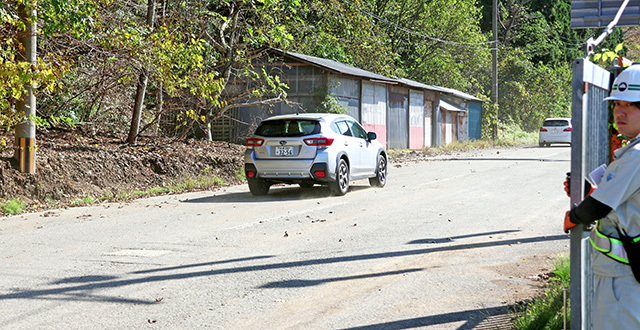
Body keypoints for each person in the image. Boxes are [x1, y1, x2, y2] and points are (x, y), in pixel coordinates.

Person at [565, 64, 640, 328]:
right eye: (617, 103)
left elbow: (597, 207)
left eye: (631, 105)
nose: (620, 111)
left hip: (624, 277)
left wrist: (574, 216)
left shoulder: (637, 155)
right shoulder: (633, 151)